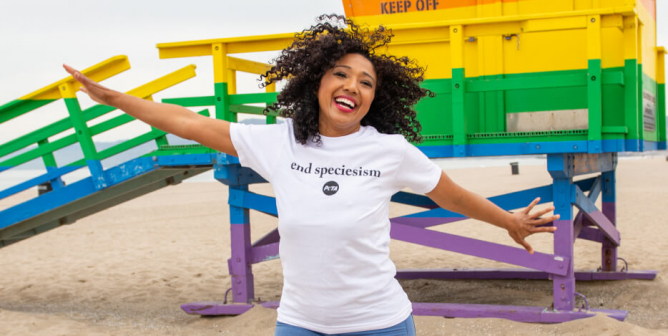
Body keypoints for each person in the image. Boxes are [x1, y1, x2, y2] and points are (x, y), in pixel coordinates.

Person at [64, 14, 558, 336]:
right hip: (300, 324)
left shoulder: (388, 150)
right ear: (316, 81)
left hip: (380, 322)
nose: (352, 86)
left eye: (366, 82)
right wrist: (114, 99)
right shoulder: (279, 141)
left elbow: (453, 196)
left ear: (375, 99)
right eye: (341, 73)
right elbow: (190, 123)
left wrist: (508, 222)